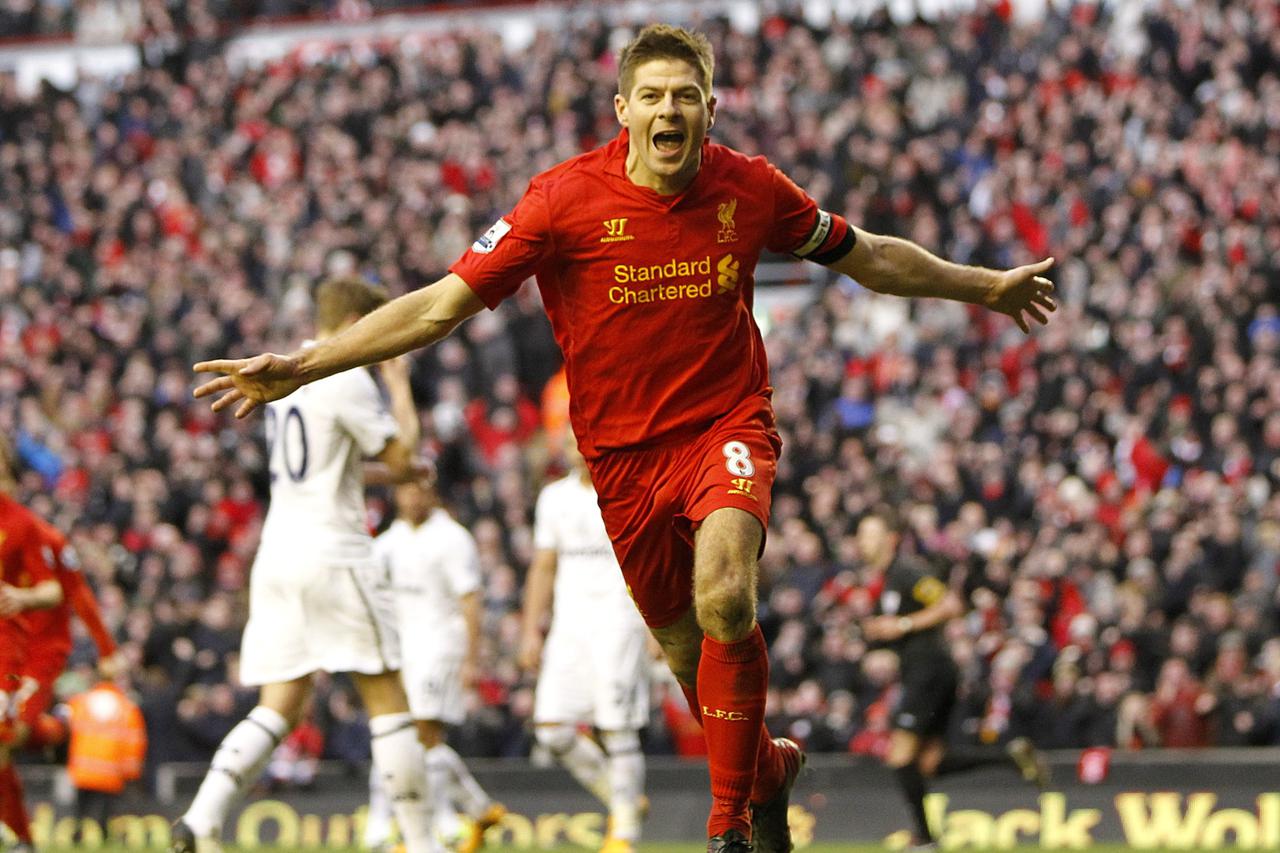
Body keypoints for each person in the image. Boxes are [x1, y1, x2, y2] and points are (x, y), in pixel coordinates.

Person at [191, 24, 1056, 853]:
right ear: (623, 109)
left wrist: (983, 286)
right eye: (653, 96)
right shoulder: (561, 200)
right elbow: (438, 305)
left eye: (687, 96)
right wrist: (307, 365)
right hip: (621, 463)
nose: (670, 111)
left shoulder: (751, 187)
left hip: (725, 425)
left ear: (711, 111)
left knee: (726, 594)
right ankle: (765, 774)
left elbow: (867, 255)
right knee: (689, 659)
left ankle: (726, 826)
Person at [171, 276, 440, 853]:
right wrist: (397, 384)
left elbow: (333, 466)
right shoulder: (343, 375)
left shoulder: (288, 375)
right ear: (358, 324)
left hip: (278, 554)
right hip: (334, 549)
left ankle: (200, 822)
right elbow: (403, 457)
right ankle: (422, 842)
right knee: (387, 696)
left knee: (280, 707)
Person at [858, 507, 1048, 851]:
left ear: (891, 539)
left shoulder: (907, 571)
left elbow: (950, 604)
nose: (862, 542)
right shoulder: (888, 578)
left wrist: (901, 625)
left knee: (900, 756)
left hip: (929, 670)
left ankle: (924, 840)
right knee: (930, 762)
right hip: (930, 671)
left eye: (869, 534)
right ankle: (1010, 758)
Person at [517, 438, 651, 853]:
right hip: (569, 627)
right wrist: (529, 630)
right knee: (552, 729)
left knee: (616, 724)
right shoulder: (554, 499)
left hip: (620, 620)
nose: (578, 447)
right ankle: (622, 795)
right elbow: (543, 567)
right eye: (573, 439)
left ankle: (624, 832)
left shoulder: (629, 490)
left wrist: (654, 625)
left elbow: (650, 558)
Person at [364, 477, 506, 853]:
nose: (411, 495)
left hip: (441, 646)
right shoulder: (386, 544)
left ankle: (424, 830)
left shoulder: (453, 538)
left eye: (418, 488)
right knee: (404, 736)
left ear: (432, 492)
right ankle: (476, 808)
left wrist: (471, 660)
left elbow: (470, 601)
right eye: (404, 488)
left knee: (424, 734)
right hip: (401, 652)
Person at [0, 439, 65, 853]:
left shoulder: (20, 524)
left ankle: (22, 838)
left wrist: (21, 598)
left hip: (5, 650)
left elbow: (53, 590)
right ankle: (23, 839)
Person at [65, 676, 147, 840]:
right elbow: (134, 741)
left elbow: (65, 728)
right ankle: (105, 837)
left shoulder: (81, 702)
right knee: (107, 811)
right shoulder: (127, 707)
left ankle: (77, 837)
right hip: (110, 770)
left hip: (83, 768)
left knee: (81, 809)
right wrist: (131, 772)